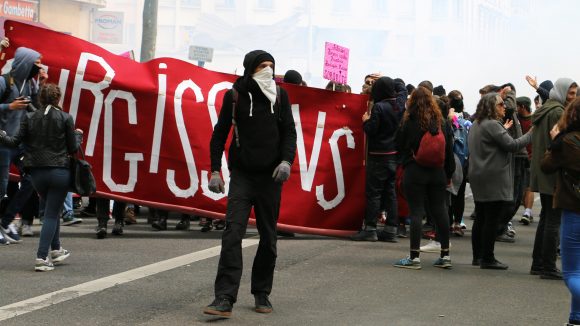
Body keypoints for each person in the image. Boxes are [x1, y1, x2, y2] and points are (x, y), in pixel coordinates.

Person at [204, 50, 297, 318]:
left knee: (268, 238)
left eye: (271, 66)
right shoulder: (234, 95)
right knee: (232, 234)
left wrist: (286, 162)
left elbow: (289, 132)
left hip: (271, 178)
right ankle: (224, 297)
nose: (267, 70)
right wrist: (214, 171)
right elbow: (219, 134)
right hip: (242, 176)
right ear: (250, 69)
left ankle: (261, 292)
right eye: (261, 66)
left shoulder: (280, 96)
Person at [0, 83, 82, 271]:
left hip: (36, 173)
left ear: (40, 99)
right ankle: (41, 257)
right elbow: (72, 148)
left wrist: (1, 135)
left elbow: (14, 141)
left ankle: (56, 249)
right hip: (59, 171)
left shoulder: (29, 117)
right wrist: (78, 135)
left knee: (50, 211)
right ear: (58, 99)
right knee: (52, 214)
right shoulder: (66, 117)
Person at [393, 86, 455, 270]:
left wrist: (406, 161)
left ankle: (414, 257)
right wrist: (448, 174)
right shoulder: (441, 122)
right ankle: (445, 255)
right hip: (437, 172)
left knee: (417, 211)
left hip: (415, 170)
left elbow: (398, 144)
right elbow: (448, 151)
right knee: (440, 210)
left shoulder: (409, 120)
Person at [468, 92, 532, 270]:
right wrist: (531, 134)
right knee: (491, 218)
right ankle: (488, 257)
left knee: (481, 216)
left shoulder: (476, 124)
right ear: (491, 106)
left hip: (478, 175)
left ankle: (478, 256)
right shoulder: (492, 125)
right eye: (500, 104)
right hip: (493, 176)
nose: (504, 107)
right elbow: (512, 145)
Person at [530, 77, 577, 279]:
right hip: (553, 170)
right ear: (562, 92)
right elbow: (560, 142)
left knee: (546, 218)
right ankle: (548, 266)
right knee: (552, 221)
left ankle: (538, 263)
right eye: (571, 93)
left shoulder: (546, 108)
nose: (573, 98)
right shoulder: (558, 111)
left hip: (544, 168)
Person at [350, 77, 406, 243]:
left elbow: (372, 130)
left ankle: (370, 229)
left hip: (378, 155)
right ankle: (391, 230)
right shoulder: (399, 105)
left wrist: (365, 121)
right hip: (393, 154)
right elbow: (402, 89)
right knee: (390, 193)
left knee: (374, 193)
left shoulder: (379, 107)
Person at [540, 98, 580, 326]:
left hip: (574, 208)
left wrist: (555, 140)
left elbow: (546, 166)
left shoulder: (567, 142)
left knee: (572, 273)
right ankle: (576, 318)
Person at [0, 47, 43, 244]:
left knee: (32, 178)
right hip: (2, 143)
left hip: (20, 144)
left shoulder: (31, 83)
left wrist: (41, 86)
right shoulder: (3, 82)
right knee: (1, 188)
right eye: (36, 65)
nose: (39, 68)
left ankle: (6, 220)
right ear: (26, 63)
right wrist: (9, 106)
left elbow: (36, 109)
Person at [516, 96, 535, 225]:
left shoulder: (535, 120)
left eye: (517, 106)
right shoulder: (515, 119)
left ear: (522, 106)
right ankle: (527, 211)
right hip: (518, 157)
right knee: (521, 187)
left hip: (531, 157)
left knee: (529, 186)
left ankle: (527, 212)